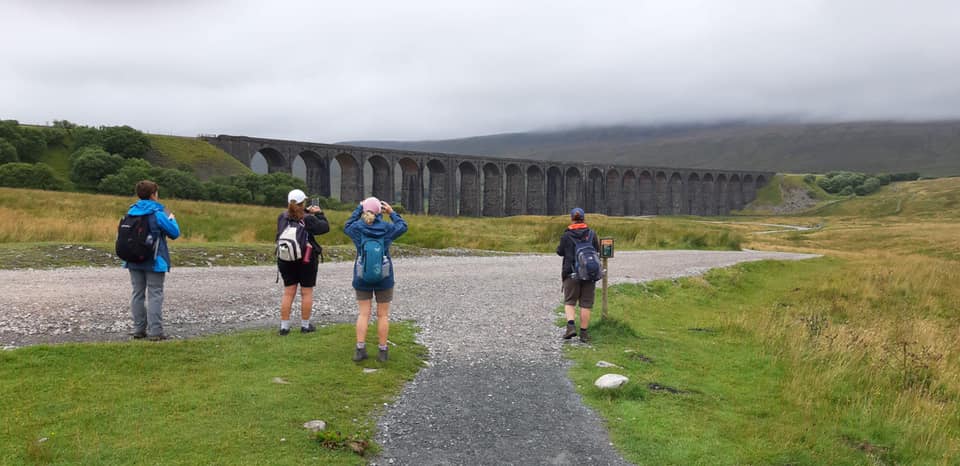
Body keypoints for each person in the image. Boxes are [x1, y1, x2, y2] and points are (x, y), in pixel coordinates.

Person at [344, 196, 407, 362]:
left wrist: (359, 208)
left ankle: (360, 349)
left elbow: (347, 225)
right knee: (383, 315)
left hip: (361, 275)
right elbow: (403, 226)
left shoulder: (357, 227)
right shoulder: (387, 228)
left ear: (365, 211)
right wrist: (393, 213)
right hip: (384, 276)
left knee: (364, 314)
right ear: (380, 211)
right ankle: (383, 351)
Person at [124, 180, 181, 341]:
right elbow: (174, 233)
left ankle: (138, 329)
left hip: (133, 259)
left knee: (137, 294)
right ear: (153, 195)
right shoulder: (158, 213)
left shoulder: (131, 212)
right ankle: (155, 332)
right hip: (154, 260)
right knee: (155, 294)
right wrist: (171, 218)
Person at [276, 189, 330, 335]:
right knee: (306, 292)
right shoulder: (308, 219)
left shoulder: (282, 217)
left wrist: (306, 211)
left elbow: (292, 216)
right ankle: (305, 326)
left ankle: (284, 327)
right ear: (303, 203)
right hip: (306, 258)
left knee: (288, 292)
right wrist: (319, 213)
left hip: (285, 258)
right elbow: (325, 227)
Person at [556, 207, 600, 343]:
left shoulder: (567, 235)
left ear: (571, 218)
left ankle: (570, 327)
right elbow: (597, 250)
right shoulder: (591, 233)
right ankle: (584, 334)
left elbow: (560, 251)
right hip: (589, 273)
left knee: (570, 301)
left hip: (571, 272)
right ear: (583, 218)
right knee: (586, 304)